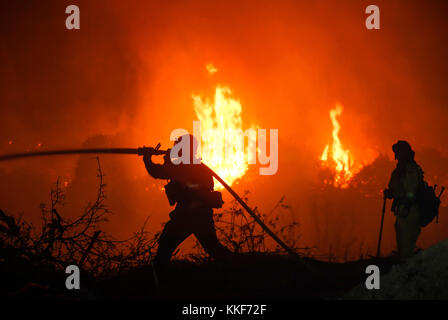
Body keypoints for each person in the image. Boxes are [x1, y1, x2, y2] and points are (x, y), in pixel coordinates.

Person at [142, 134, 232, 272]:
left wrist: (147, 157)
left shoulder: (182, 166)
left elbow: (157, 172)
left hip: (186, 215)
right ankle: (236, 265)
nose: (174, 148)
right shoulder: (197, 166)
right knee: (213, 247)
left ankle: (158, 276)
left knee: (166, 244)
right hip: (202, 214)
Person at [384, 140, 424, 260]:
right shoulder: (399, 170)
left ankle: (409, 273)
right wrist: (390, 193)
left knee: (407, 248)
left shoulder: (410, 169)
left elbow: (411, 191)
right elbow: (395, 186)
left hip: (410, 212)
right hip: (402, 211)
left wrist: (403, 201)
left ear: (404, 153)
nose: (396, 156)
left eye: (398, 152)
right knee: (402, 244)